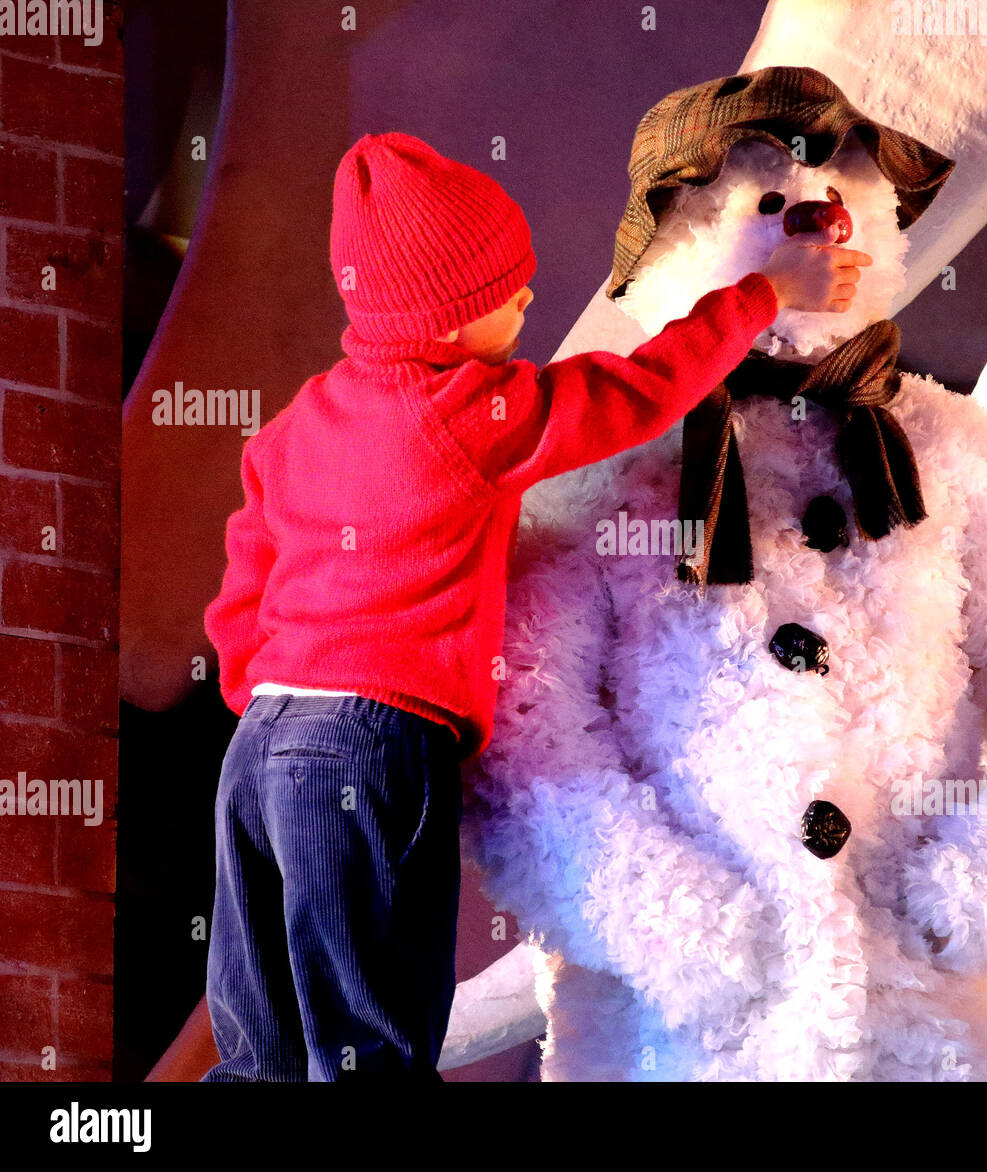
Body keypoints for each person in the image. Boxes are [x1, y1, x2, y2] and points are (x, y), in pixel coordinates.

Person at [200, 130, 871, 1080]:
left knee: (259, 1045)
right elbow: (635, 393)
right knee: (370, 1041)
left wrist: (271, 699)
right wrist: (766, 292)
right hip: (373, 743)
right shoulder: (472, 411)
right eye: (500, 292)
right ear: (440, 321)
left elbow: (241, 595)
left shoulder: (299, 421)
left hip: (259, 751)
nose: (525, 296)